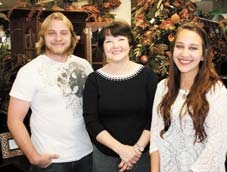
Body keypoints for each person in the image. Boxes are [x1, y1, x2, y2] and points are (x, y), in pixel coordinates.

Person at [7, 12, 93, 172]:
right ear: (43, 37)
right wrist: (33, 156)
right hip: (50, 161)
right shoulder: (29, 71)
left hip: (86, 155)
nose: (58, 38)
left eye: (64, 33)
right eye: (52, 33)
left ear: (72, 36)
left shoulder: (85, 65)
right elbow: (14, 120)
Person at [150, 22, 227, 172]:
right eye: (180, 46)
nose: (184, 54)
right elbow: (156, 138)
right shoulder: (163, 87)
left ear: (203, 54)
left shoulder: (217, 93)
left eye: (193, 48)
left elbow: (215, 148)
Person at [82, 20, 158, 172]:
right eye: (109, 41)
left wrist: (136, 150)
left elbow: (155, 117)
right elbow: (91, 121)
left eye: (121, 39)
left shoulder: (148, 76)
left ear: (130, 43)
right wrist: (122, 150)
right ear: (103, 47)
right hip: (105, 158)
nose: (115, 46)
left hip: (142, 156)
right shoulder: (94, 80)